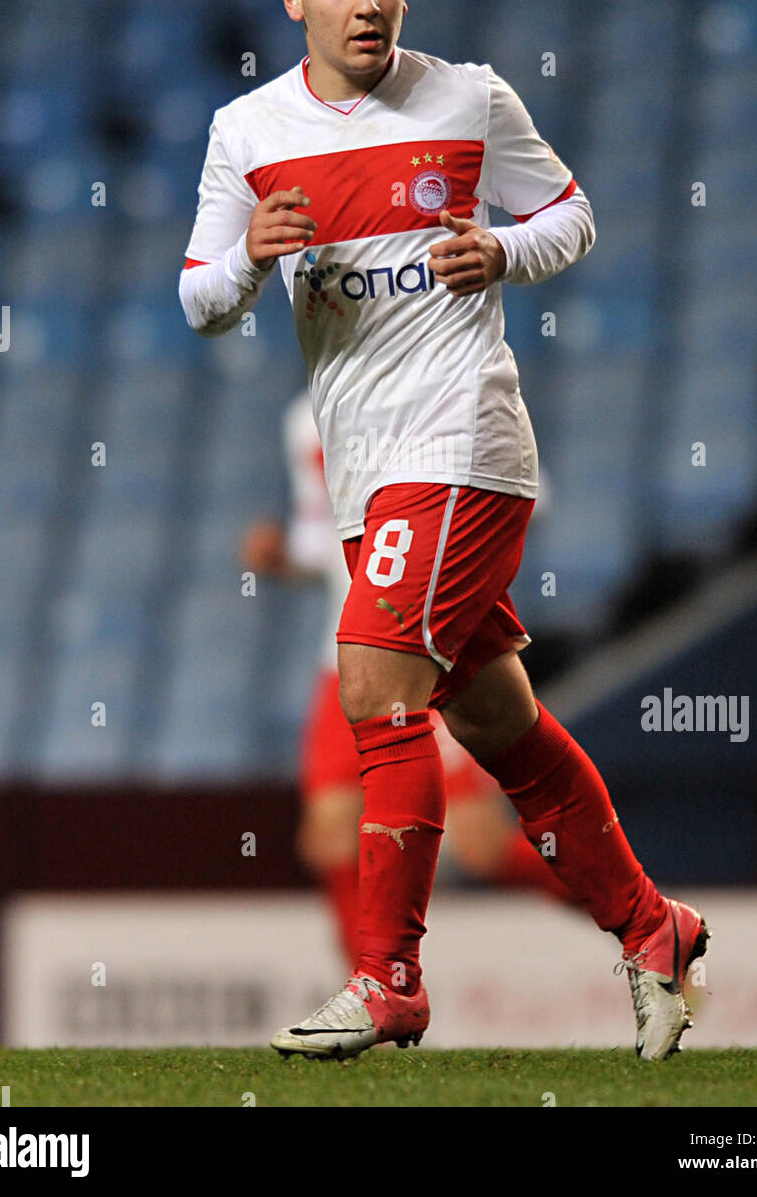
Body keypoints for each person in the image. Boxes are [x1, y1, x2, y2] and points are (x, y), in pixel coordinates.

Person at [179, 0, 709, 1062]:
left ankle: (387, 981)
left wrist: (503, 247)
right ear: (294, 0)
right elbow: (199, 299)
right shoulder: (246, 131)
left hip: (465, 446)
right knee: (500, 726)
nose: (365, 4)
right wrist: (250, 261)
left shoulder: (470, 97)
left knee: (372, 685)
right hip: (371, 476)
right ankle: (652, 927)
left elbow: (569, 214)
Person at [241, 392, 577, 969]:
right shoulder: (304, 420)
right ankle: (372, 994)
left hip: (432, 645)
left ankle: (642, 932)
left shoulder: (443, 385)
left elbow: (530, 492)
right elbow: (329, 544)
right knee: (328, 835)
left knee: (481, 847)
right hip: (345, 654)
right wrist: (284, 557)